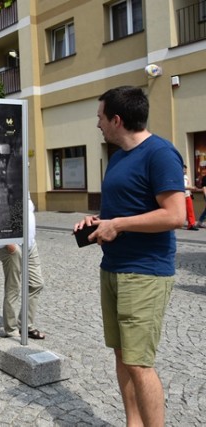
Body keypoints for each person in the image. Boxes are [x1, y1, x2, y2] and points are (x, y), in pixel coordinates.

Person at [73, 86, 185, 427]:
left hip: (145, 272)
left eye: (100, 117)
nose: (98, 124)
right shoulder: (120, 156)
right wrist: (99, 223)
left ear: (117, 119)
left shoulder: (161, 153)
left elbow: (175, 215)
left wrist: (118, 224)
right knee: (122, 356)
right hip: (114, 268)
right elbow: (124, 211)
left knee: (139, 362)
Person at [0, 196, 45, 339]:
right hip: (12, 245)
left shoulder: (24, 183)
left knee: (37, 283)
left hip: (29, 244)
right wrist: (9, 244)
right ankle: (11, 330)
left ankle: (25, 325)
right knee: (13, 288)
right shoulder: (4, 180)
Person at [183, 164, 199, 230]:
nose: (185, 170)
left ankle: (191, 224)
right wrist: (191, 188)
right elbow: (183, 186)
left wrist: (191, 191)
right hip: (182, 196)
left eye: (185, 169)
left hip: (187, 195)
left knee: (190, 210)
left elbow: (188, 185)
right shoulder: (179, 176)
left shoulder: (186, 177)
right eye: (183, 169)